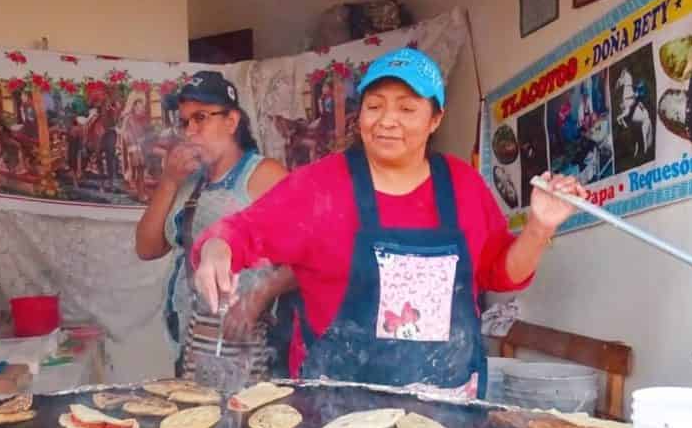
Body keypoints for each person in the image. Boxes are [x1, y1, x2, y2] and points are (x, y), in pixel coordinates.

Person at [192, 47, 587, 394]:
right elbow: (242, 231)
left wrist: (540, 227)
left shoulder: (462, 186)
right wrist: (215, 248)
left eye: (407, 108)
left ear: (435, 119)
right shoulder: (320, 186)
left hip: (446, 406)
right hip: (335, 404)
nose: (387, 120)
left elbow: (501, 274)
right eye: (375, 105)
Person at [136, 71, 292, 380]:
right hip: (192, 339)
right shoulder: (187, 180)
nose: (190, 131)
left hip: (251, 343)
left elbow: (309, 256)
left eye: (201, 118)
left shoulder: (265, 175)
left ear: (231, 122)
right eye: (184, 122)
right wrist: (168, 180)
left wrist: (258, 298)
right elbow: (147, 248)